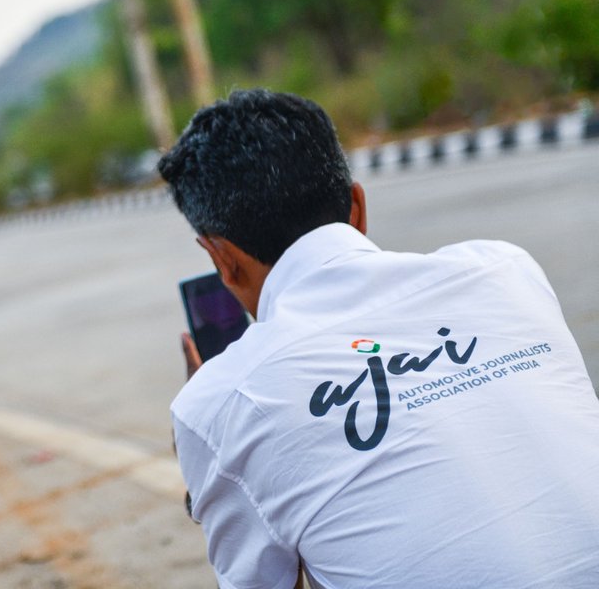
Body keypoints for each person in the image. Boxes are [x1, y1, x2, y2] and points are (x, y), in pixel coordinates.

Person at [157, 89, 599, 589]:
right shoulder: (506, 270)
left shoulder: (221, 399)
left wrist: (213, 451)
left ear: (221, 260)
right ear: (357, 206)